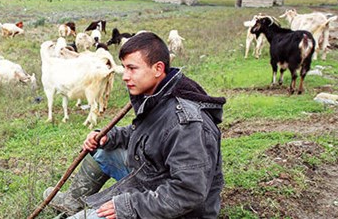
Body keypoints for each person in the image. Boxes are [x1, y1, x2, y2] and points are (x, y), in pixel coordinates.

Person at [43, 32, 225, 218]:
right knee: (103, 150)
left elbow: (189, 193)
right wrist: (108, 136)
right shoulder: (159, 96)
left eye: (132, 68)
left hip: (181, 211)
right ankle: (71, 202)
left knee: (95, 216)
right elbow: (146, 134)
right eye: (124, 68)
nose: (125, 76)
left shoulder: (186, 123)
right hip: (155, 176)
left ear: (157, 68)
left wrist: (130, 206)